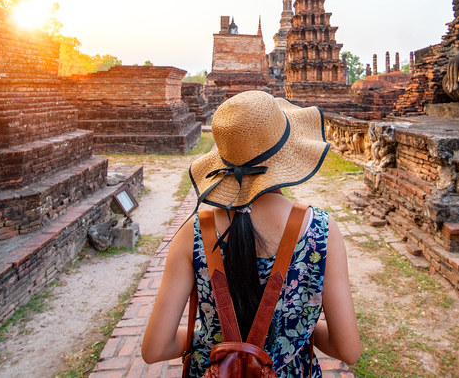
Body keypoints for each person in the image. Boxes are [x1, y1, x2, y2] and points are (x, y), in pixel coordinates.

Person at [141, 90, 362, 376]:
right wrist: (297, 331)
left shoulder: (194, 233)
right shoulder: (320, 230)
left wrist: (214, 342)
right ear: (288, 152)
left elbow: (155, 349)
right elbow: (348, 350)